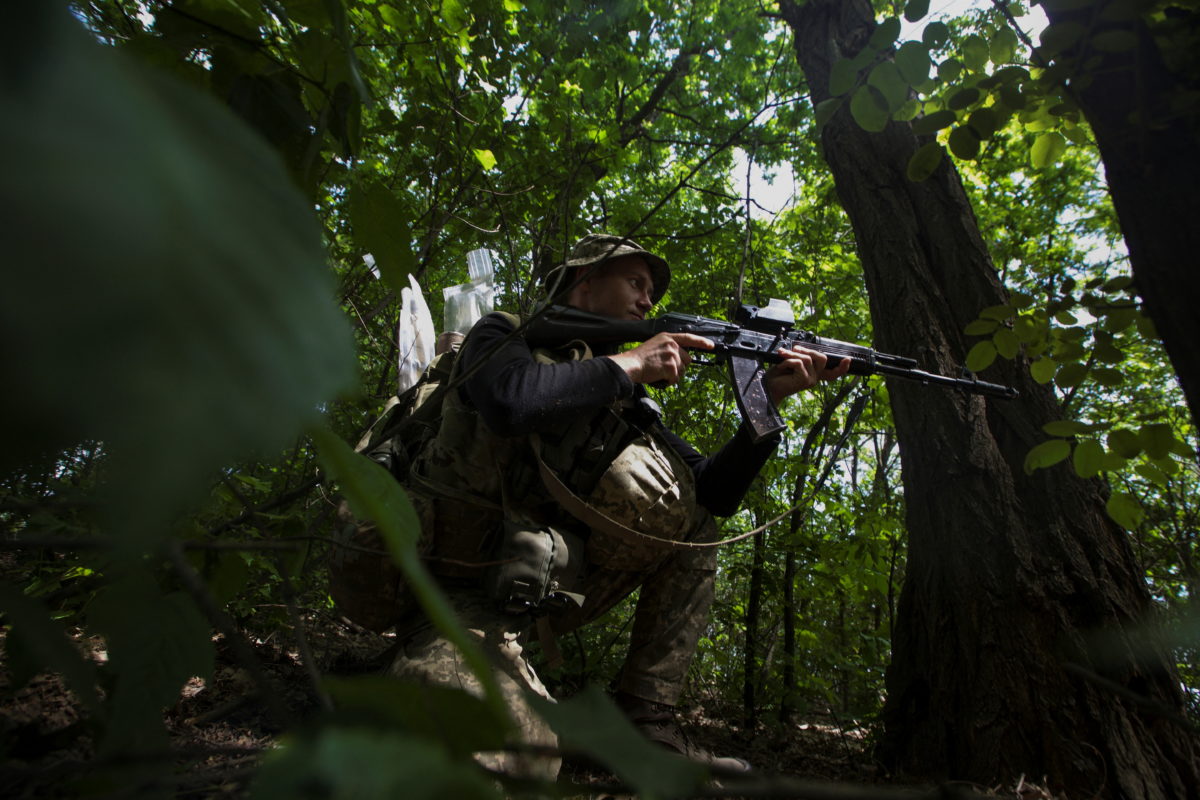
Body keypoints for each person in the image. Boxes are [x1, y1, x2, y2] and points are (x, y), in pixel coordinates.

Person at [387, 233, 848, 778]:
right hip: (454, 600)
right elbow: (511, 401)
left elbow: (711, 496)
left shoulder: (625, 399)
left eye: (650, 291)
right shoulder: (504, 333)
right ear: (583, 283)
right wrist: (629, 363)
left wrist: (765, 404)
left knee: (691, 523)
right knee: (503, 760)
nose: (648, 301)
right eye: (635, 282)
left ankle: (644, 723)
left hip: (541, 597)